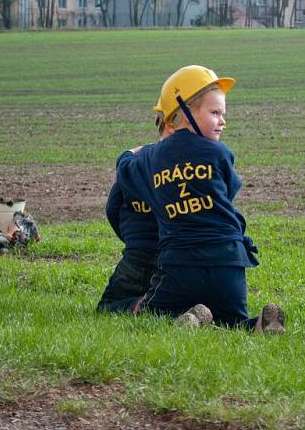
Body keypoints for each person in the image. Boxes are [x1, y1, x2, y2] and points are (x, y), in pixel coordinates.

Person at [116, 65, 285, 333]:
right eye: (215, 113)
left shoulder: (151, 157)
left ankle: (191, 319)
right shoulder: (221, 154)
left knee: (152, 311)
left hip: (180, 264)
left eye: (222, 114)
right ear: (184, 112)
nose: (223, 121)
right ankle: (258, 326)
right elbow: (228, 194)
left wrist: (131, 152)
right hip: (229, 263)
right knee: (233, 321)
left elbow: (125, 169)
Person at [97, 103, 170, 313]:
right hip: (171, 258)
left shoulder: (137, 161)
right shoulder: (185, 168)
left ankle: (140, 306)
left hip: (136, 257)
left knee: (108, 307)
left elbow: (112, 208)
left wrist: (131, 239)